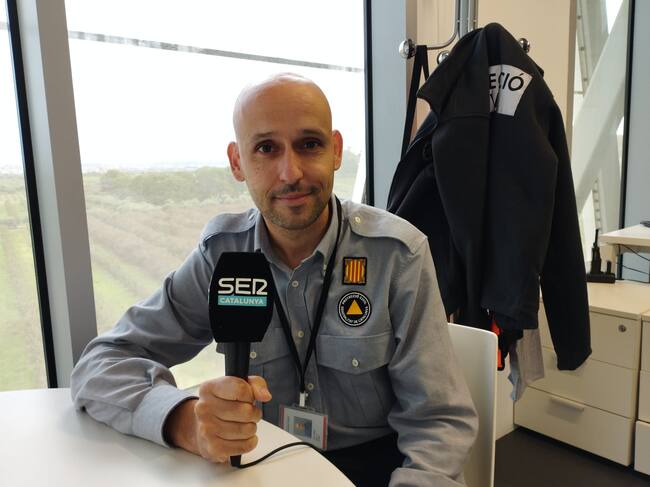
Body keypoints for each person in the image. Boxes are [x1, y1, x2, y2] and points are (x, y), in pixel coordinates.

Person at [71, 73, 478, 486]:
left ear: (336, 151)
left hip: (375, 469)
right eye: (266, 148)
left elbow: (438, 421)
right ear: (237, 162)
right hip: (261, 467)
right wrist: (184, 421)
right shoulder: (222, 257)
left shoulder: (397, 255)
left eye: (309, 144)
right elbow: (101, 363)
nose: (290, 172)